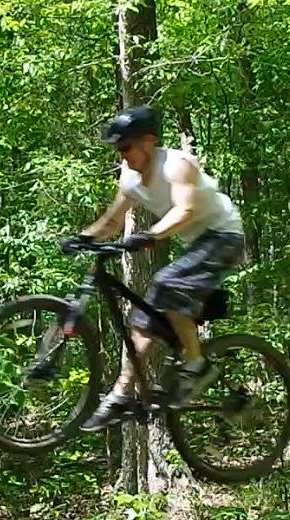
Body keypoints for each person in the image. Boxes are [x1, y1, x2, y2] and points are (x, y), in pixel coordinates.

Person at [59, 105, 246, 433]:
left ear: (148, 141)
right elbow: (113, 221)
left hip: (224, 236)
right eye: (117, 150)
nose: (122, 155)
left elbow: (185, 210)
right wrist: (83, 238)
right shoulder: (129, 177)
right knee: (143, 323)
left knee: (165, 282)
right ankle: (120, 394)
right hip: (198, 243)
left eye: (126, 147)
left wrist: (149, 235)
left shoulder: (177, 165)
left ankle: (197, 364)